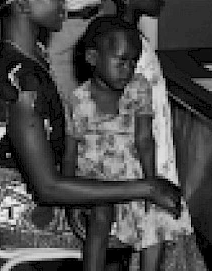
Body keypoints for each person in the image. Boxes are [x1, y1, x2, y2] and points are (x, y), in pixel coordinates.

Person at [0, 0, 182, 265]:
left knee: (115, 192)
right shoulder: (22, 82)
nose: (63, 1)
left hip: (15, 187)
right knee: (145, 218)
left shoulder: (26, 56)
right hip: (12, 212)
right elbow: (48, 188)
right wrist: (146, 187)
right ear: (23, 4)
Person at [93, 0, 205, 269]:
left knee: (154, 236)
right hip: (142, 156)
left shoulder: (135, 41)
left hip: (154, 149)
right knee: (153, 230)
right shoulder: (123, 50)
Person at [65, 16, 178, 271]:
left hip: (132, 179)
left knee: (156, 216)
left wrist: (151, 183)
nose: (128, 70)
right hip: (94, 183)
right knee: (101, 213)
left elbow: (145, 139)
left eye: (133, 62)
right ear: (93, 58)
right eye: (121, 61)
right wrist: (71, 202)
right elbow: (69, 155)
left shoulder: (139, 88)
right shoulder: (78, 100)